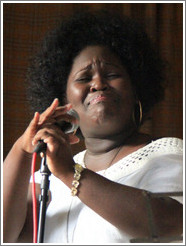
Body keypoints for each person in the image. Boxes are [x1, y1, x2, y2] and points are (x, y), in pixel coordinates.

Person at [3, 10, 183, 243]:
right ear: (63, 99)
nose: (98, 83)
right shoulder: (49, 175)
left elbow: (171, 223)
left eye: (111, 74)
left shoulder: (169, 153)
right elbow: (5, 234)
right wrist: (22, 150)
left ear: (136, 89)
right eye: (84, 78)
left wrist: (71, 174)